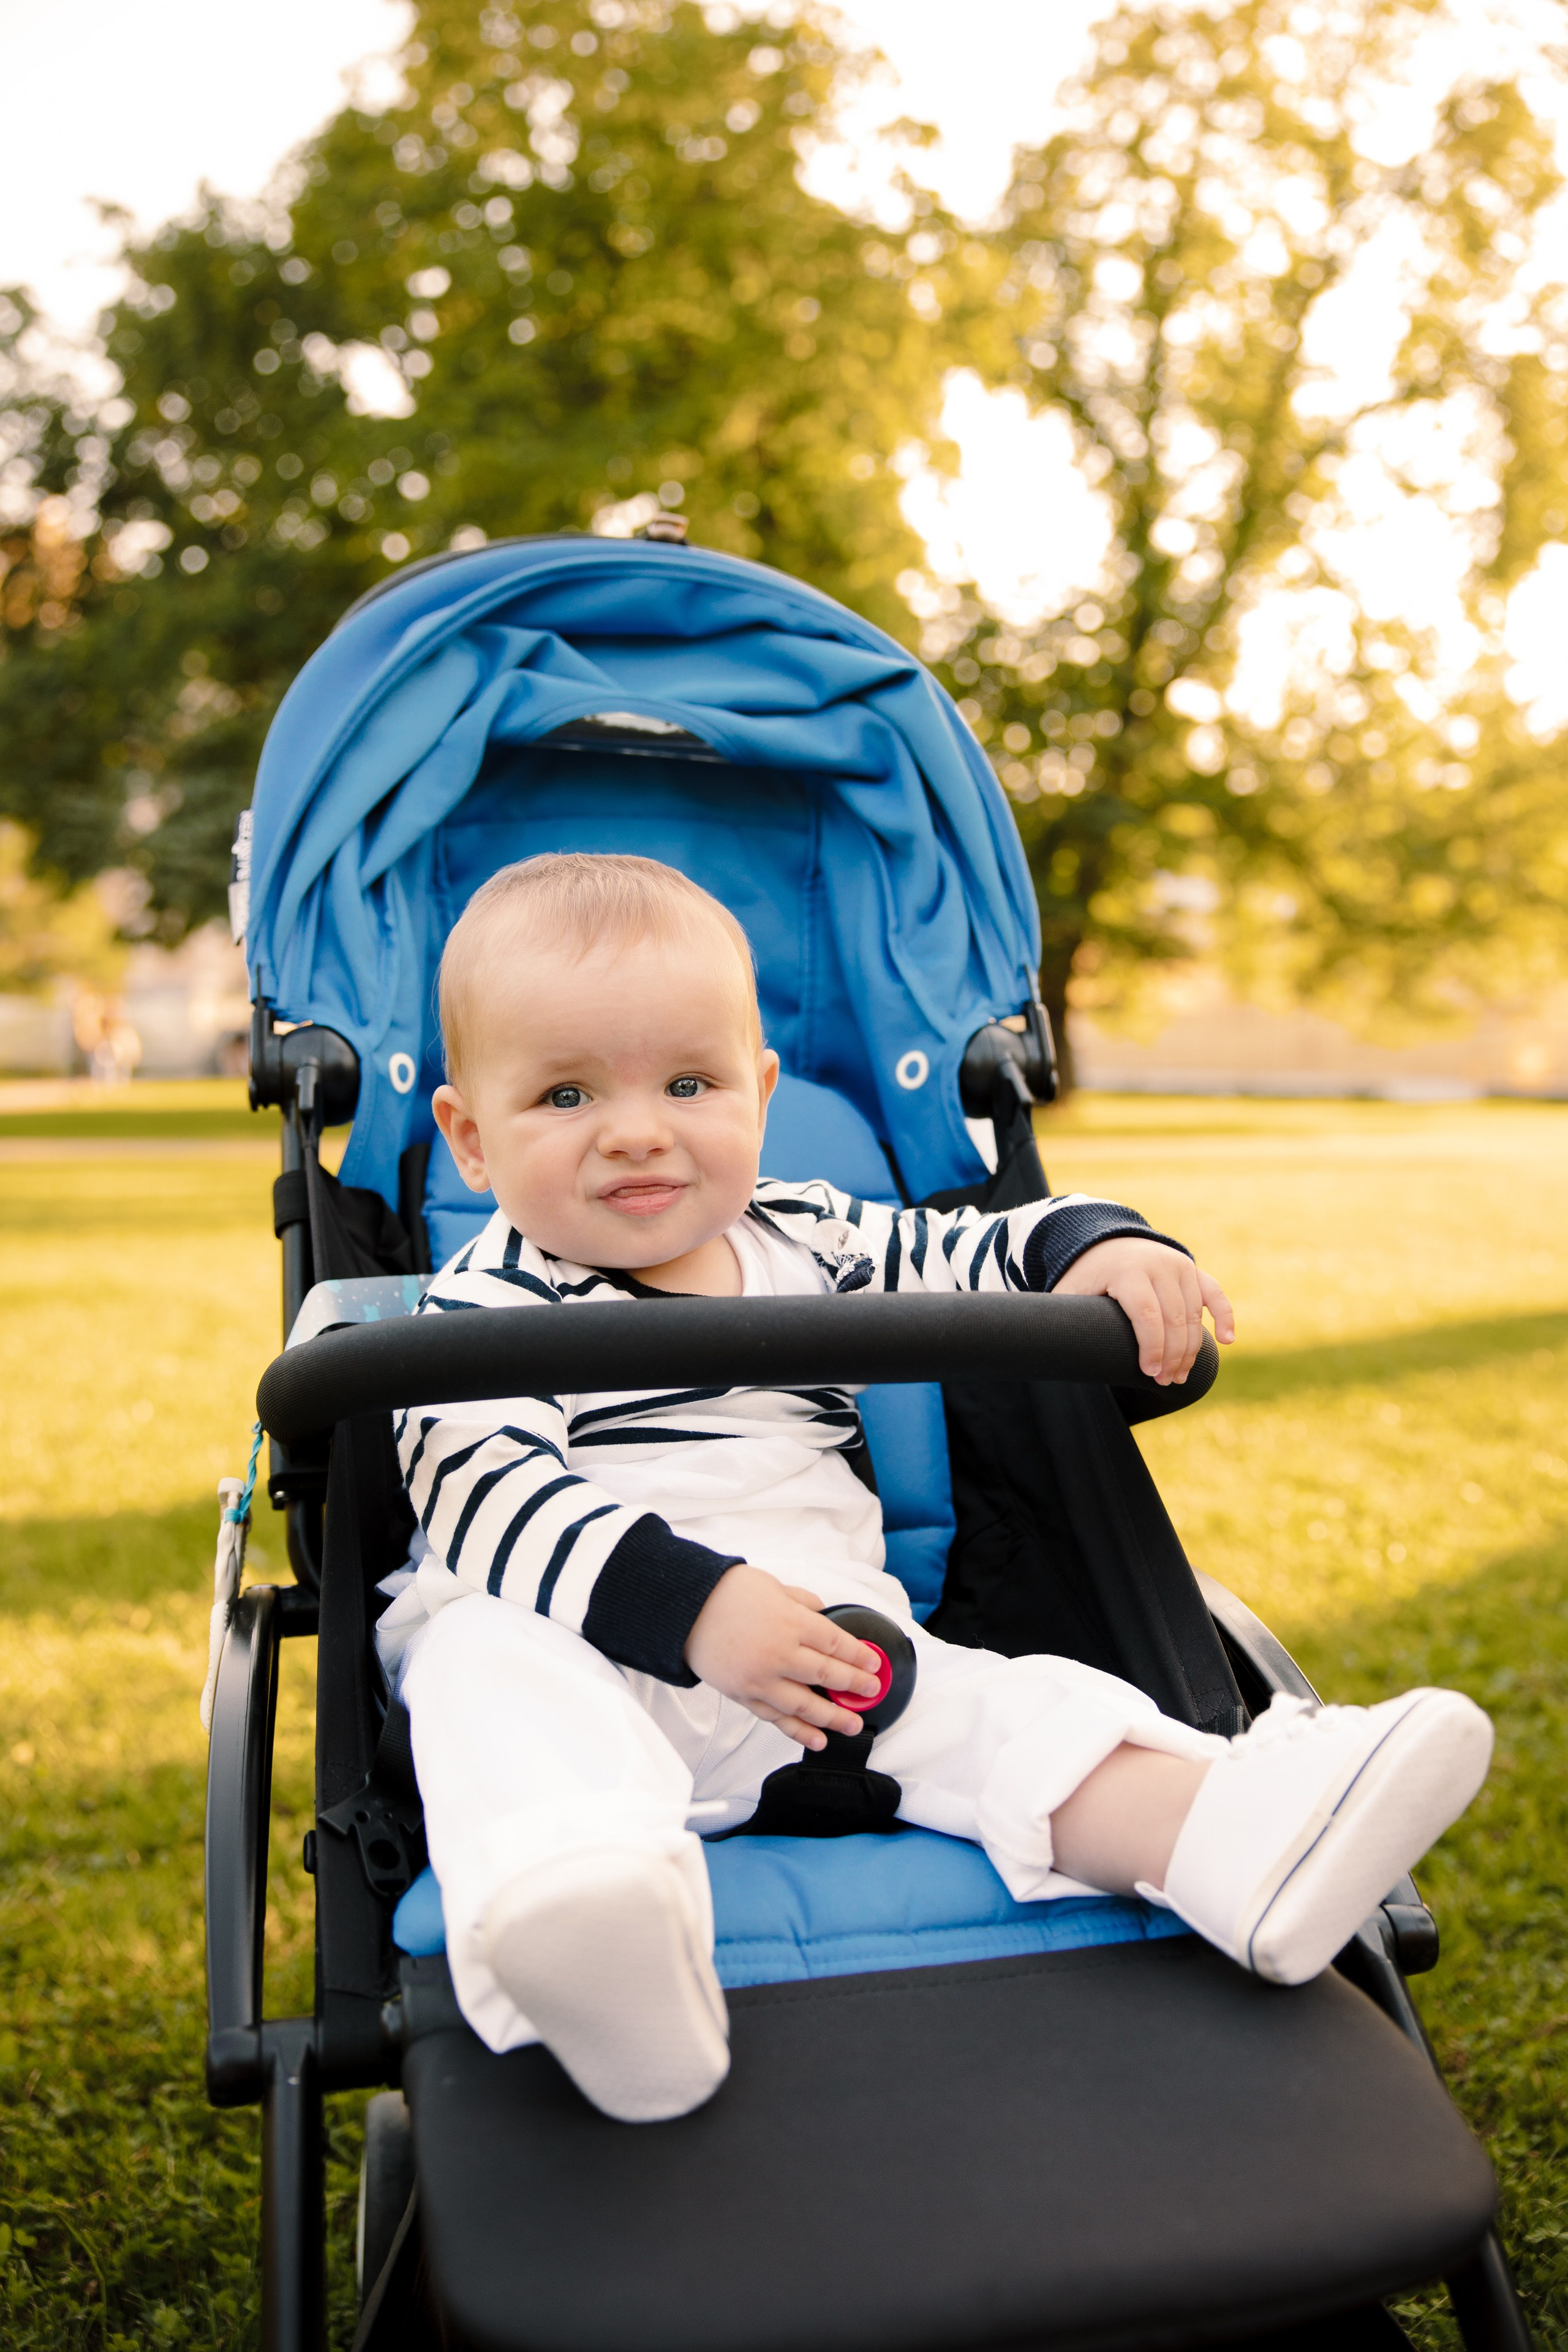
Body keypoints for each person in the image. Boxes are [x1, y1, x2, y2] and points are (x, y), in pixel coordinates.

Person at [379, 852, 1491, 2125]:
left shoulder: (807, 1239)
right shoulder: (478, 1303)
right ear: (468, 1136)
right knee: (481, 1661)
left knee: (1014, 1712)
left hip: (834, 1660)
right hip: (586, 1645)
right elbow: (481, 1492)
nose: (636, 1128)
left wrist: (1103, 1246)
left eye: (688, 1083)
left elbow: (981, 1246)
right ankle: (591, 1926)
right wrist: (691, 1610)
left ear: (759, 1090)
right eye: (566, 1093)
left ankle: (1230, 1838)